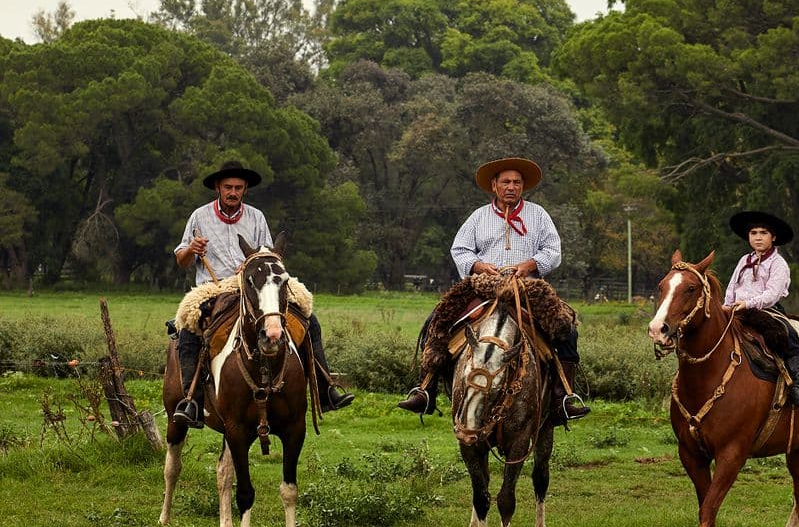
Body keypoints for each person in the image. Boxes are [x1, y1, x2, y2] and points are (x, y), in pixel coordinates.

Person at [397, 156, 589, 423]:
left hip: (528, 286)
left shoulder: (539, 215)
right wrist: (477, 265)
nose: (512, 187)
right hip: (484, 286)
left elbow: (553, 251)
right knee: (437, 320)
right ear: (494, 186)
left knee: (565, 328)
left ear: (523, 187)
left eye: (517, 182)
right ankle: (425, 390)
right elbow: (460, 249)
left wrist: (531, 263)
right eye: (506, 182)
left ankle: (563, 397)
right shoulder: (478, 217)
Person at [171, 160, 354, 428]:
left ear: (245, 190)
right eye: (228, 187)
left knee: (307, 317)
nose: (233, 192)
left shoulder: (256, 217)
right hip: (215, 287)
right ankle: (192, 401)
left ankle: (326, 388)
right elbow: (181, 260)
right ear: (218, 189)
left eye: (238, 187)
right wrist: (192, 249)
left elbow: (269, 256)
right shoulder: (199, 216)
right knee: (189, 327)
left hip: (253, 284)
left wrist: (250, 267)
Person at [722, 210, 799, 407]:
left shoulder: (778, 264)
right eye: (754, 233)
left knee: (788, 335)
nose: (758, 237)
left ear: (773, 237)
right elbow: (732, 287)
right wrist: (726, 307)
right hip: (737, 310)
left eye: (763, 233)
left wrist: (748, 303)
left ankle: (796, 386)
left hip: (765, 311)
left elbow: (772, 294)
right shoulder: (744, 260)